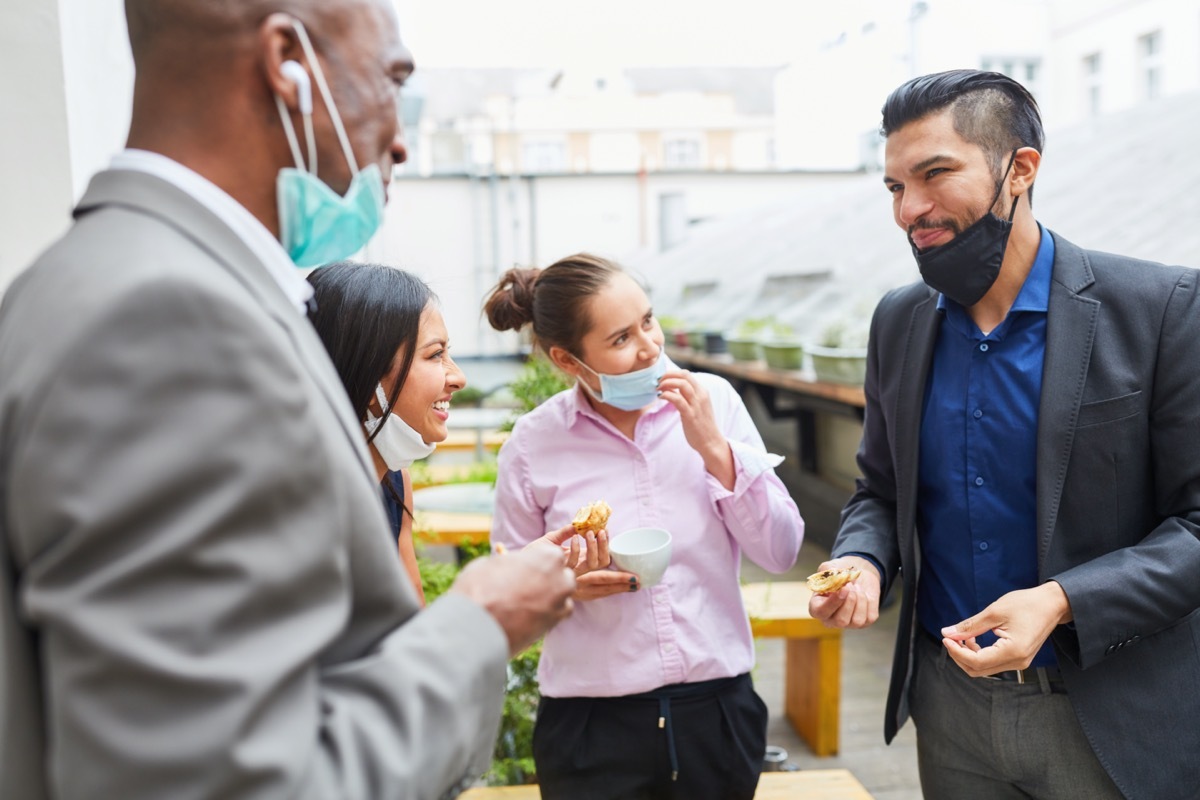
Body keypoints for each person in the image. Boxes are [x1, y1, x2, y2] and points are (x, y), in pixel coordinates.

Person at [0, 2, 577, 798]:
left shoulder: (106, 279)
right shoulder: (170, 321)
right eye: (392, 81)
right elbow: (225, 781)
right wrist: (480, 625)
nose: (400, 139)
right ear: (287, 62)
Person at [809, 69, 1200, 800]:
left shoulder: (1162, 308)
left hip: (1113, 711)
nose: (909, 210)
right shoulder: (899, 320)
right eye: (895, 187)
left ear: (1019, 170)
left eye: (934, 175)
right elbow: (881, 490)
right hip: (948, 708)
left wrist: (1062, 600)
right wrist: (861, 559)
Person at [484, 253, 805, 800]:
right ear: (568, 359)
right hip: (590, 732)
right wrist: (560, 588)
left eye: (649, 321)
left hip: (717, 714)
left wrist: (713, 449)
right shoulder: (534, 444)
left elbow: (782, 551)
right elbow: (506, 612)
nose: (651, 346)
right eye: (621, 338)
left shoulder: (715, 404)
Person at [307, 261, 464, 604]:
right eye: (435, 354)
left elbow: (411, 634)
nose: (457, 378)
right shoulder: (297, 508)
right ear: (365, 370)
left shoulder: (395, 482)